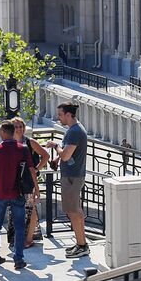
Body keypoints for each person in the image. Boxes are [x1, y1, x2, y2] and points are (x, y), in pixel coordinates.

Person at [0, 120, 29, 271]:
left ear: (4, 133)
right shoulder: (22, 149)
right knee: (19, 226)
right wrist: (36, 189)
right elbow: (31, 170)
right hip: (17, 192)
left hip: (0, 193)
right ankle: (18, 258)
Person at [56, 103, 90, 259]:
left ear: (68, 115)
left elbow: (66, 156)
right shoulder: (76, 130)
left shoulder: (74, 132)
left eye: (60, 114)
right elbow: (69, 153)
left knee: (73, 212)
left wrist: (55, 146)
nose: (59, 117)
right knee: (77, 211)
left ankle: (82, 246)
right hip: (74, 175)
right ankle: (81, 243)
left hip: (72, 177)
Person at [11, 116, 49, 249]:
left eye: (21, 126)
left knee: (30, 208)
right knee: (16, 209)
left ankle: (28, 238)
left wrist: (37, 169)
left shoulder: (30, 142)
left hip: (28, 180)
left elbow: (45, 155)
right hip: (14, 181)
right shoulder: (10, 142)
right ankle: (17, 237)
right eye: (16, 126)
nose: (19, 129)